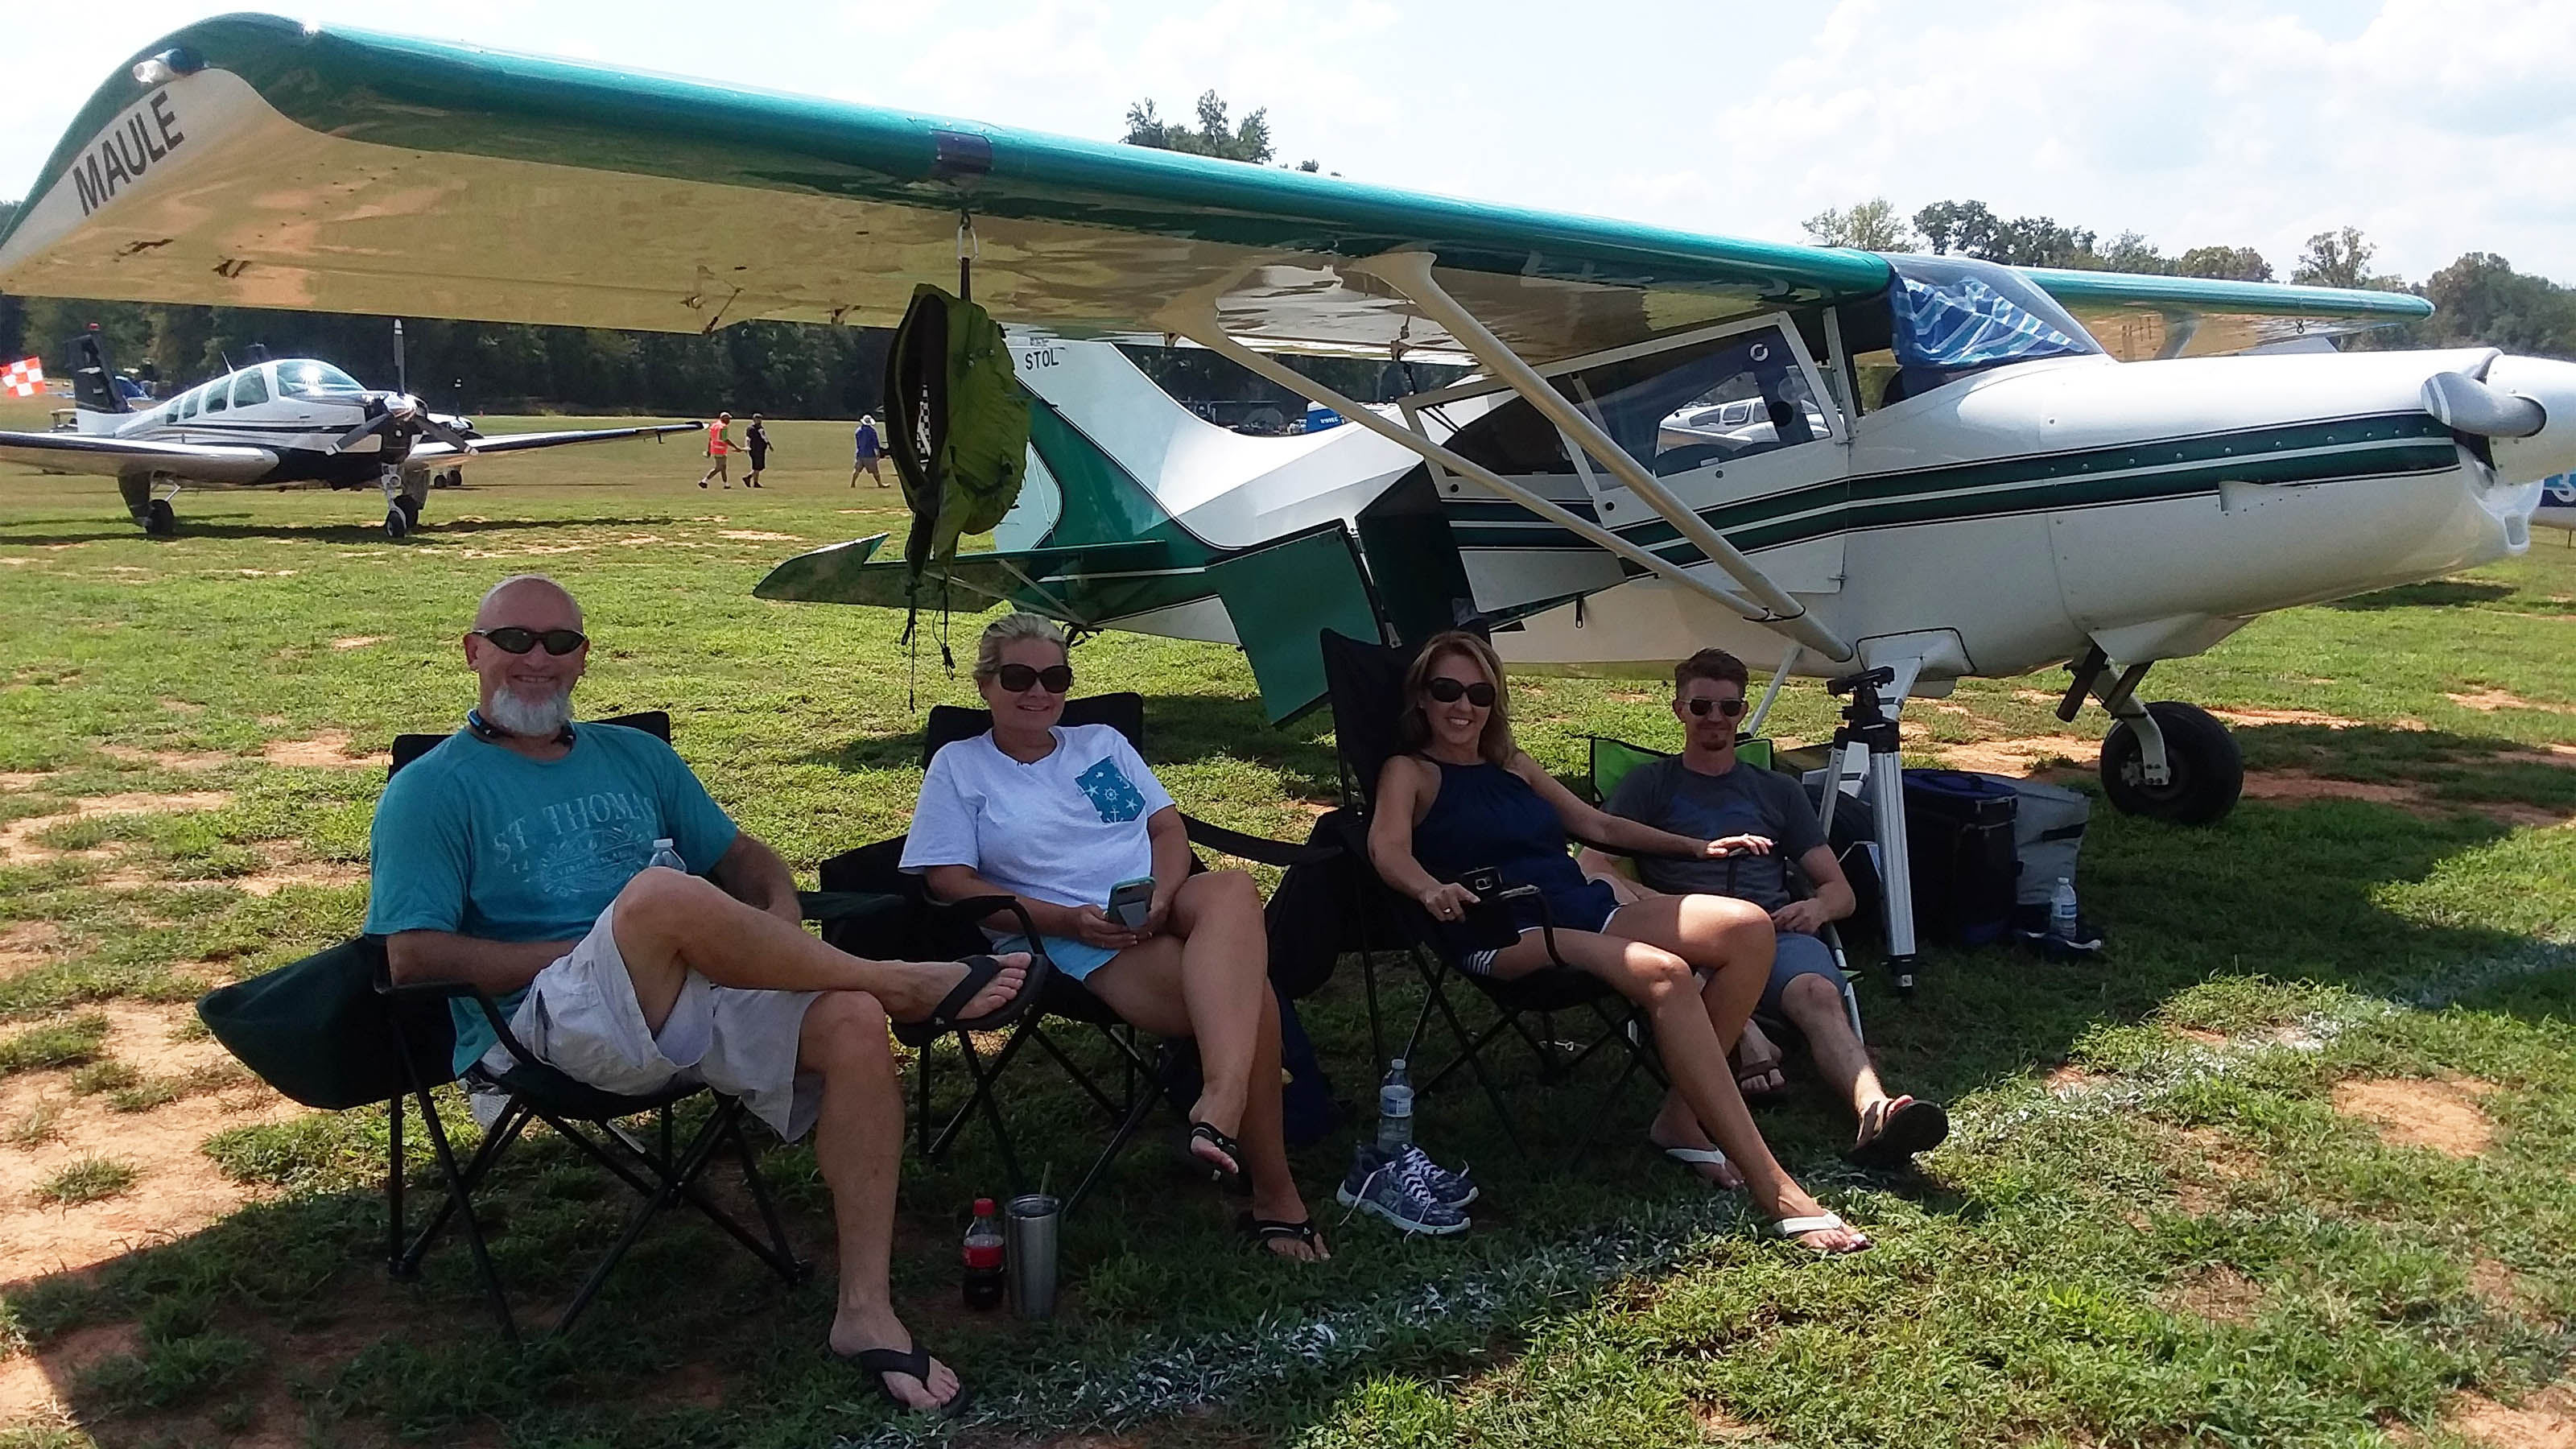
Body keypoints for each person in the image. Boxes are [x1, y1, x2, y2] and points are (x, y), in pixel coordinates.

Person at [367, 574, 1030, 1414]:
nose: (536, 659)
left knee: (851, 1021)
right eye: (513, 640)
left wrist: (777, 929)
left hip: (678, 992)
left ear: (582, 660)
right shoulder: (431, 788)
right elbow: (412, 957)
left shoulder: (635, 755)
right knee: (656, 898)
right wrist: (610, 946)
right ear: (473, 653)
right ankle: (899, 980)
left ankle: (864, 1310)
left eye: (558, 643)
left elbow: (747, 860)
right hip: (542, 1019)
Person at [1366, 630, 1870, 1253]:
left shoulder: (1513, 766)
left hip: (1578, 907)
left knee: (1747, 926)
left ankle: (1681, 1119)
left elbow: (1597, 824)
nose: (1463, 706)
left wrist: (1695, 847)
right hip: (1506, 926)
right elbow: (1386, 848)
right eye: (1447, 690)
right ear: (1422, 697)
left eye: (1479, 693)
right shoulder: (1409, 771)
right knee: (1665, 974)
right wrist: (1427, 888)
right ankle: (1778, 1189)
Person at [902, 613, 1328, 1261]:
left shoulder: (1098, 744)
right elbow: (950, 882)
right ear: (986, 684)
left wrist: (1160, 896)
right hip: (1063, 930)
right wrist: (1065, 919)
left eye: (1055, 677)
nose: (1038, 691)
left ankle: (1224, 1095)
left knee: (1233, 889)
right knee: (1253, 1001)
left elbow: (1165, 829)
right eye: (1018, 677)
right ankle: (1276, 1194)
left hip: (1149, 901)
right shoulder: (961, 767)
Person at [1583, 648, 1949, 1169]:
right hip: (1688, 930)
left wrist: (1817, 910)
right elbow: (1592, 865)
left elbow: (1839, 890)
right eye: (1701, 706)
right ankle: (1749, 1038)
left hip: (1776, 929)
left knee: (1820, 995)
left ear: (1742, 709)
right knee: (1691, 974)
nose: (1715, 719)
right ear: (1678, 709)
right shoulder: (1649, 786)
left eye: (1728, 708)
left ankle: (1876, 1110)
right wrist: (1657, 906)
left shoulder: (1776, 790)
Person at [700, 411, 733, 489]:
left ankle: (726, 484)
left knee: (723, 467)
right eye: (728, 419)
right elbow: (725, 439)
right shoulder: (723, 427)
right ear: (724, 418)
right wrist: (736, 447)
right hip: (720, 449)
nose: (729, 421)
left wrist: (709, 450)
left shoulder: (714, 426)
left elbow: (711, 439)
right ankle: (704, 481)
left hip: (715, 448)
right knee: (719, 468)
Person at [852, 415, 884, 487]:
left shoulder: (858, 431)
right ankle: (880, 484)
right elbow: (875, 443)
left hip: (860, 453)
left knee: (857, 470)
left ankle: (853, 483)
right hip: (869, 454)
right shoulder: (872, 431)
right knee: (875, 471)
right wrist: (878, 453)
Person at [743, 415, 772, 488]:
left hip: (761, 449)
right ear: (754, 419)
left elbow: (764, 437)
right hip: (755, 450)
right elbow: (748, 438)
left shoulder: (760, 428)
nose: (759, 421)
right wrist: (747, 446)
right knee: (758, 467)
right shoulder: (751, 429)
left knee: (757, 467)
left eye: (760, 419)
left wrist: (768, 444)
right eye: (757, 419)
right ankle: (748, 478)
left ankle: (755, 482)